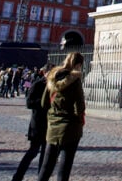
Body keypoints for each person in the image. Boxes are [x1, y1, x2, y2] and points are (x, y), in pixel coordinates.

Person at [37, 52, 86, 181]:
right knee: (64, 169)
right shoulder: (75, 80)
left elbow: (43, 103)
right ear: (78, 65)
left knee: (46, 166)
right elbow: (80, 107)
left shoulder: (52, 77)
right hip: (70, 127)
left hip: (53, 126)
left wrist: (54, 114)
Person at [12, 65, 51, 181]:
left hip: (49, 125)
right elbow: (29, 103)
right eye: (50, 72)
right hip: (38, 124)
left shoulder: (54, 86)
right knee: (32, 152)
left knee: (45, 156)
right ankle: (18, 176)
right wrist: (45, 102)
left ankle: (41, 177)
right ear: (44, 72)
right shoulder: (37, 84)